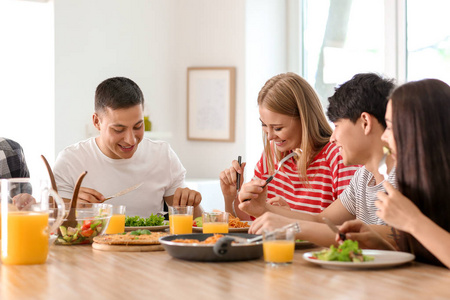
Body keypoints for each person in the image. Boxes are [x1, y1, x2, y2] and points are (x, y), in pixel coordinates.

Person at [239, 73, 397, 247]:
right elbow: (322, 221)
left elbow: (399, 237)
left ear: (365, 123)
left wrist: (293, 227)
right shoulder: (363, 177)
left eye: (337, 126)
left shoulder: (405, 176)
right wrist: (264, 209)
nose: (333, 137)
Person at [339, 79, 450, 268]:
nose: (384, 136)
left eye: (390, 126)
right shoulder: (418, 182)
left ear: (418, 131)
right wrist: (377, 242)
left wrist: (412, 220)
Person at [54, 77, 202, 217]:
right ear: (97, 122)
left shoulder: (163, 155)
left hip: (151, 243)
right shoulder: (70, 161)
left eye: (138, 126)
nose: (130, 140)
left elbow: (195, 224)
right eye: (118, 130)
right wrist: (73, 210)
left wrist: (191, 203)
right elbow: (54, 226)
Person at [220, 72, 359, 221]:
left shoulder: (339, 156)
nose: (270, 136)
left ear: (305, 119)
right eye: (264, 125)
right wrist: (232, 197)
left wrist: (285, 217)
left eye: (278, 128)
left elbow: (348, 227)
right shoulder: (271, 155)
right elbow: (248, 222)